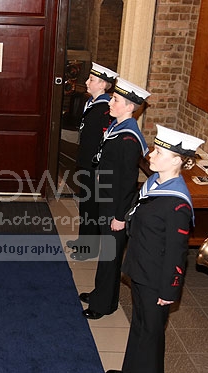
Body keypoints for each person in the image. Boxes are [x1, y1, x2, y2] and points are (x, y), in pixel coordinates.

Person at [105, 125, 204, 373]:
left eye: (159, 152)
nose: (151, 155)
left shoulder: (177, 204)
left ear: (177, 160)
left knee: (152, 331)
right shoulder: (155, 183)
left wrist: (169, 289)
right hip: (140, 266)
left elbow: (177, 252)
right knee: (139, 323)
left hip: (157, 277)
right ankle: (132, 371)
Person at [78, 77, 150, 320]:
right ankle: (101, 293)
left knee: (111, 256)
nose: (110, 102)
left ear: (130, 107)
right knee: (106, 253)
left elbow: (128, 182)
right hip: (106, 198)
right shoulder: (117, 128)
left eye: (116, 100)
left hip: (116, 205)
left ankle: (103, 305)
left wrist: (120, 216)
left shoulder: (129, 138)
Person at [66, 62, 117, 260]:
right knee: (85, 205)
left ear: (103, 84)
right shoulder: (92, 103)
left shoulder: (105, 108)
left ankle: (89, 249)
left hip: (95, 166)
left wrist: (100, 168)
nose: (87, 82)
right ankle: (82, 241)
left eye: (92, 79)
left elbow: (105, 140)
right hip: (86, 161)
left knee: (92, 208)